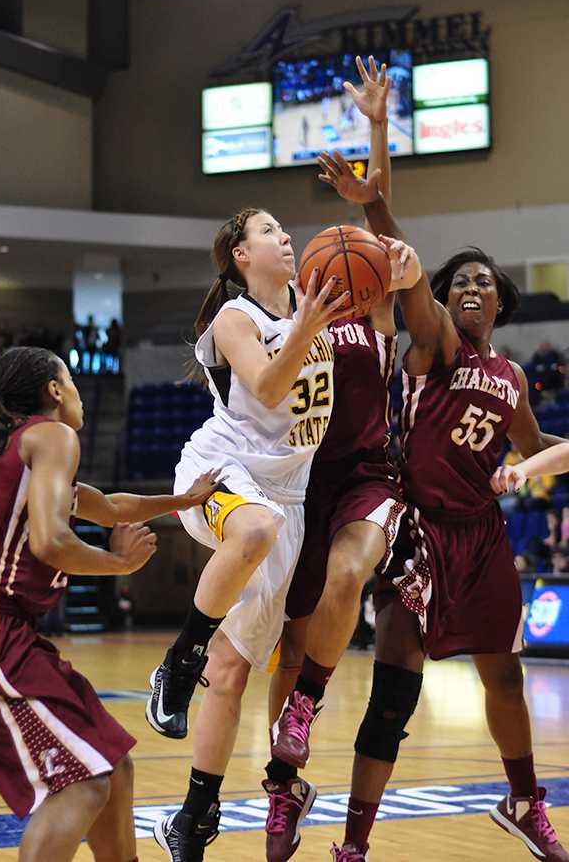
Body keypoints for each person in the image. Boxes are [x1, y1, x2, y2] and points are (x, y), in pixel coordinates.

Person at [316, 165, 568, 859]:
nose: (469, 287)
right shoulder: (436, 346)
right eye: (459, 280)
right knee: (395, 692)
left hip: (482, 538)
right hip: (419, 534)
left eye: (482, 280)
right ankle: (355, 844)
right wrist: (375, 208)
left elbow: (536, 446)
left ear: (500, 303)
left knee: (505, 676)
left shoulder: (510, 377)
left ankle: (522, 800)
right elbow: (410, 274)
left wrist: (552, 455)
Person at [146, 204, 354, 860]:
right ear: (240, 254)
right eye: (269, 230)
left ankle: (194, 814)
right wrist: (310, 323)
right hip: (219, 474)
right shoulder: (238, 318)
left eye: (285, 229)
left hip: (286, 502)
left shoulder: (311, 299)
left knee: (233, 671)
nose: (286, 236)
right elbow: (266, 389)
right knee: (255, 527)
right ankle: (178, 662)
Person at [0, 346, 219, 862]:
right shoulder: (53, 435)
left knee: (112, 764)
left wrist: (183, 501)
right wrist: (119, 566)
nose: (81, 391)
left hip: (3, 631)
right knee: (81, 786)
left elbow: (108, 507)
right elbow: (50, 542)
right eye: (73, 380)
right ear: (54, 392)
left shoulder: (14, 451)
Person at [264, 56, 419, 862]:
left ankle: (306, 709)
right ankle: (280, 790)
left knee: (352, 571)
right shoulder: (297, 316)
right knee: (285, 648)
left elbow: (383, 231)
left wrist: (378, 129)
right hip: (300, 483)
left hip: (367, 475)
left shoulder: (382, 306)